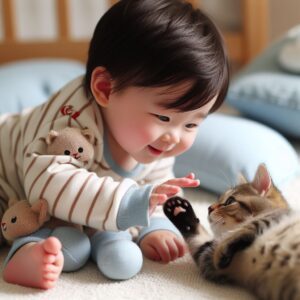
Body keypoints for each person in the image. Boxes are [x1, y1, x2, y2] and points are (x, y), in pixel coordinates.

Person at [1, 0, 229, 290]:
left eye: (191, 124)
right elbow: (49, 183)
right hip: (8, 175)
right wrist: (132, 203)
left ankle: (41, 248)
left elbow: (156, 182)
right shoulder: (69, 125)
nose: (174, 136)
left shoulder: (157, 140)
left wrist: (154, 224)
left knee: (74, 235)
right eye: (163, 116)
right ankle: (26, 251)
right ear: (105, 89)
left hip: (42, 203)